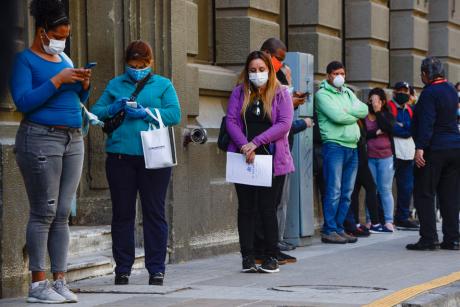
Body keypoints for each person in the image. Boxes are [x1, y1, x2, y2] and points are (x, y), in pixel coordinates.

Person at [10, 0, 92, 303]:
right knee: (43, 211)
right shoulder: (24, 61)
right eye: (57, 35)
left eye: (66, 35)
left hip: (73, 139)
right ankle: (38, 284)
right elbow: (24, 102)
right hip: (40, 139)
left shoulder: (65, 59)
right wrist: (57, 80)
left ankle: (60, 279)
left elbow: (77, 99)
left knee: (60, 214)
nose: (62, 40)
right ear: (42, 32)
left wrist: (84, 84)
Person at [91, 40, 181, 284]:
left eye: (142, 64)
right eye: (132, 64)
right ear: (126, 63)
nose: (137, 68)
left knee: (154, 213)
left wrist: (147, 112)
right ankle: (122, 269)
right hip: (120, 158)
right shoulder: (115, 84)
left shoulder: (163, 84)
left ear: (150, 63)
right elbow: (96, 112)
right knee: (122, 214)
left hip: (154, 158)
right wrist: (114, 106)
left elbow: (175, 114)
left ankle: (156, 269)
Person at [226, 50, 294, 273]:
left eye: (261, 70)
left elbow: (284, 124)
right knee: (245, 209)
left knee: (267, 209)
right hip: (243, 157)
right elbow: (232, 121)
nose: (257, 74)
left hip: (271, 159)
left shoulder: (281, 93)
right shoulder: (239, 92)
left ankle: (271, 256)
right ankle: (247, 256)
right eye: (253, 70)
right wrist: (244, 145)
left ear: (269, 70)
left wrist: (255, 142)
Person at [254, 38, 312, 264]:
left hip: (280, 149)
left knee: (274, 203)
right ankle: (261, 250)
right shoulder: (256, 84)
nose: (279, 64)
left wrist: (290, 99)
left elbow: (283, 117)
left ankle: (271, 247)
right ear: (266, 53)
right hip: (263, 148)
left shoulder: (276, 81)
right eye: (277, 58)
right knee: (263, 205)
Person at [407, 57, 460, 251]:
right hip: (454, 148)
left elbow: (427, 121)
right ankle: (453, 238)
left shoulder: (429, 92)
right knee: (450, 195)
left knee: (424, 193)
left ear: (426, 74)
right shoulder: (451, 90)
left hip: (434, 149)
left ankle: (429, 238)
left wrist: (420, 147)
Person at [315, 61, 368, 244]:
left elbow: (365, 109)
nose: (340, 77)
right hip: (334, 146)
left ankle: (338, 228)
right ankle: (329, 229)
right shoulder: (322, 95)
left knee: (347, 192)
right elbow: (337, 116)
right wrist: (352, 114)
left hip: (352, 147)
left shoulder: (347, 92)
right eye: (336, 73)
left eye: (342, 73)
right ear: (328, 75)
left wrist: (348, 111)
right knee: (334, 190)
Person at [388, 81, 419, 231]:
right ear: (394, 92)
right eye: (399, 90)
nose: (402, 93)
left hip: (408, 153)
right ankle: (384, 217)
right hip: (392, 152)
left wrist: (404, 128)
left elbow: (414, 128)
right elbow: (392, 128)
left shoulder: (411, 110)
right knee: (386, 187)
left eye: (405, 91)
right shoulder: (389, 107)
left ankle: (402, 217)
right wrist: (406, 128)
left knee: (407, 187)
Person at [364, 88, 396, 233]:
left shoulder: (386, 115)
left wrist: (378, 112)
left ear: (382, 102)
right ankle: (371, 220)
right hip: (370, 157)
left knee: (385, 189)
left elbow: (388, 127)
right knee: (371, 189)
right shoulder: (364, 116)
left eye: (376, 100)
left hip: (386, 157)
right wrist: (376, 132)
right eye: (371, 100)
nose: (373, 103)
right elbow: (364, 134)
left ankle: (389, 221)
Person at [344, 119, 379, 237]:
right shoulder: (349, 119)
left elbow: (364, 135)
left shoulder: (359, 120)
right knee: (360, 190)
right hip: (356, 160)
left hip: (362, 160)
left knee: (358, 191)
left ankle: (359, 223)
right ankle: (371, 223)